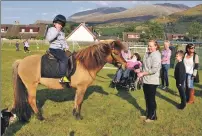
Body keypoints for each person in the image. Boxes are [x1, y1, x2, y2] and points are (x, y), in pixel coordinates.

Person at [137, 40, 161, 123]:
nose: (149, 47)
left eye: (151, 46)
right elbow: (143, 65)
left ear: (156, 46)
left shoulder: (157, 55)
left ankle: (153, 117)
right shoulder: (147, 54)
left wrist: (143, 73)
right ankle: (148, 114)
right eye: (148, 46)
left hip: (152, 81)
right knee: (147, 98)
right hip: (145, 80)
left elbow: (154, 70)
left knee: (151, 99)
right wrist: (139, 71)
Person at [46, 14, 69, 83]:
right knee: (64, 58)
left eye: (61, 24)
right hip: (54, 49)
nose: (60, 25)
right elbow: (49, 39)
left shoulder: (62, 33)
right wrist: (57, 31)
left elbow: (63, 41)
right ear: (54, 23)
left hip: (60, 49)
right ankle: (62, 77)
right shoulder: (51, 29)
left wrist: (66, 46)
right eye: (58, 23)